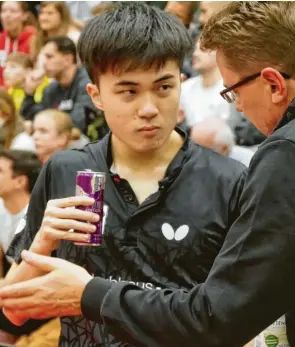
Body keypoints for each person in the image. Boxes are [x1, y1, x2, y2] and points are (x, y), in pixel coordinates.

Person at [1, 3, 246, 347]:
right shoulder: (65, 169)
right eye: (129, 91)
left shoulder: (229, 180)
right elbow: (10, 311)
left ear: (180, 82)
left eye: (163, 87)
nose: (148, 108)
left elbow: (233, 315)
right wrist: (42, 242)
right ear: (96, 95)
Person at [21, 36, 97, 131]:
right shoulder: (50, 89)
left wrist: (37, 126)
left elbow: (80, 121)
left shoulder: (87, 82)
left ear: (68, 59)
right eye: (42, 57)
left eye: (49, 57)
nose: (43, 63)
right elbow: (31, 117)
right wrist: (29, 92)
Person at [179, 39, 231, 127]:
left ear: (219, 53)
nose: (195, 54)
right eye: (195, 49)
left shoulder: (231, 90)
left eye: (202, 49)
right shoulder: (184, 89)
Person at [0, 1, 36, 86]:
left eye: (13, 11)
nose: (7, 15)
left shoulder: (33, 38)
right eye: (3, 11)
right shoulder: (1, 39)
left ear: (25, 16)